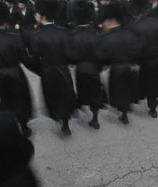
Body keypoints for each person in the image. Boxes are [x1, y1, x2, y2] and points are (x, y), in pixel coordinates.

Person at [0, 0, 37, 137]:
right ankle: (24, 126)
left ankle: (10, 125)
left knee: (5, 101)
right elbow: (27, 60)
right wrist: (41, 70)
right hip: (16, 73)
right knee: (20, 99)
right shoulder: (15, 38)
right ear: (6, 19)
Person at [28, 0, 77, 135]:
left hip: (47, 70)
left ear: (42, 15)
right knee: (65, 94)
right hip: (63, 69)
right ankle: (66, 122)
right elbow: (71, 54)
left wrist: (40, 70)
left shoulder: (36, 35)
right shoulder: (64, 32)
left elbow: (33, 59)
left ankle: (58, 117)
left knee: (52, 96)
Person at [66, 0, 104, 129]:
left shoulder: (72, 36)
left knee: (82, 91)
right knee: (95, 94)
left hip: (80, 69)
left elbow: (70, 57)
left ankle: (81, 106)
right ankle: (95, 118)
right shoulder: (96, 34)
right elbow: (101, 54)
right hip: (94, 68)